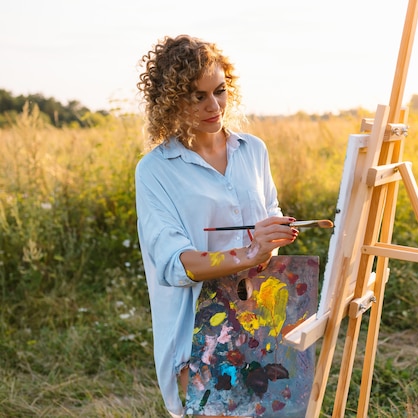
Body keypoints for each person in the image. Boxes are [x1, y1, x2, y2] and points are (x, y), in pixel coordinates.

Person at [135, 34, 299, 418]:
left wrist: (270, 239)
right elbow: (179, 263)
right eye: (197, 96)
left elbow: (266, 229)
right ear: (171, 100)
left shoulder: (253, 150)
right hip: (197, 328)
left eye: (220, 91)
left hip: (259, 312)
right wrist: (249, 251)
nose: (214, 106)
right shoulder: (156, 170)